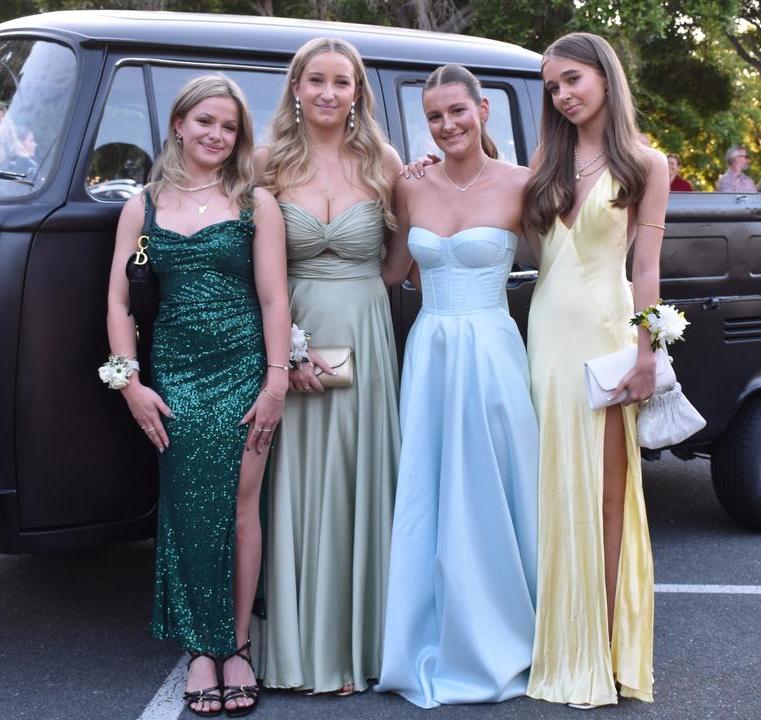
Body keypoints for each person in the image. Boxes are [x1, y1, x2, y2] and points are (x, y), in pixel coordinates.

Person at [105, 74, 290, 717]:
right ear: (179, 125)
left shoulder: (254, 204)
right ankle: (199, 651)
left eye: (229, 126)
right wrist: (129, 382)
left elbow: (273, 298)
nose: (216, 135)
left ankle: (235, 645)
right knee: (186, 512)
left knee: (242, 506)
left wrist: (275, 379)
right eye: (205, 121)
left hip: (243, 370)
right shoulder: (143, 206)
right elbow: (119, 300)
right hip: (175, 377)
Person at [374, 64, 539, 709]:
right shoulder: (411, 187)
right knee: (429, 489)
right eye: (435, 116)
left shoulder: (521, 184)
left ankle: (505, 631)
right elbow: (390, 269)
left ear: (483, 111)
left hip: (493, 350)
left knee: (495, 488)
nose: (447, 126)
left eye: (457, 112)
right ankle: (429, 629)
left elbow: (562, 263)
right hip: (431, 349)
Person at [520, 32, 668, 708]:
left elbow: (646, 269)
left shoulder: (646, 163)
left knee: (609, 497)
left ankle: (603, 648)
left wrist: (649, 352)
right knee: (550, 491)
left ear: (606, 75)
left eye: (573, 79)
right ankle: (556, 638)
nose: (564, 94)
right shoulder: (543, 163)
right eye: (553, 87)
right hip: (545, 337)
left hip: (607, 337)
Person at [252, 37, 403, 696]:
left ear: (358, 92)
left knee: (358, 481)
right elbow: (251, 272)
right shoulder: (267, 163)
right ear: (296, 86)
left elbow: (400, 262)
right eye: (316, 80)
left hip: (366, 335)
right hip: (293, 332)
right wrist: (288, 351)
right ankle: (296, 651)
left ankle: (356, 649)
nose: (328, 93)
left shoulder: (384, 162)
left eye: (342, 82)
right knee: (295, 485)